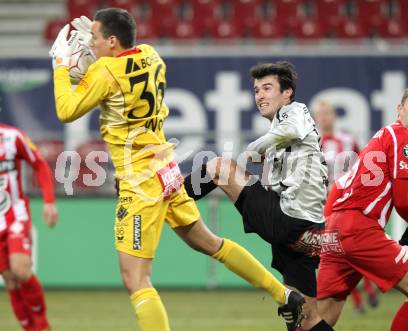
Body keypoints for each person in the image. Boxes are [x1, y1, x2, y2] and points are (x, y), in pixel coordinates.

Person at [49, 8, 304, 331]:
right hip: (165, 170)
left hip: (140, 182)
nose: (91, 43)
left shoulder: (105, 74)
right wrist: (95, 61)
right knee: (210, 243)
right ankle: (284, 295)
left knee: (136, 279)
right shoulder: (152, 56)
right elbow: (119, 77)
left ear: (112, 41)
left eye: (95, 38)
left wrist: (62, 66)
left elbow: (66, 110)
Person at [184, 62, 334, 331]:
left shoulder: (295, 111)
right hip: (308, 230)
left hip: (291, 220)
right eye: (256, 90)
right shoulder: (281, 133)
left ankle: (171, 195)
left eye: (267, 88)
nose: (260, 96)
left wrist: (252, 150)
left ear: (287, 92)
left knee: (220, 168)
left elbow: (287, 132)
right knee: (305, 318)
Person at [317, 84, 408, 331]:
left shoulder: (382, 135)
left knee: (320, 316)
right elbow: (402, 199)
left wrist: (328, 227)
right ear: (399, 109)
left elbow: (339, 186)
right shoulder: (406, 139)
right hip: (359, 228)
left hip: (335, 227)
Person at [312, 100, 379, 314]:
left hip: (349, 203)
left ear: (334, 115)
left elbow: (364, 164)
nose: (324, 117)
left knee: (354, 246)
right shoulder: (311, 142)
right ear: (316, 118)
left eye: (327, 113)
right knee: (335, 252)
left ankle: (367, 288)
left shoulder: (348, 140)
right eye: (320, 114)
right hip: (324, 204)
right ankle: (359, 298)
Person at [0, 123, 58, 331]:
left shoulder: (12, 137)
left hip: (16, 214)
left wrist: (49, 203)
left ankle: (42, 324)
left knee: (21, 270)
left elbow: (40, 165)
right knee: (10, 281)